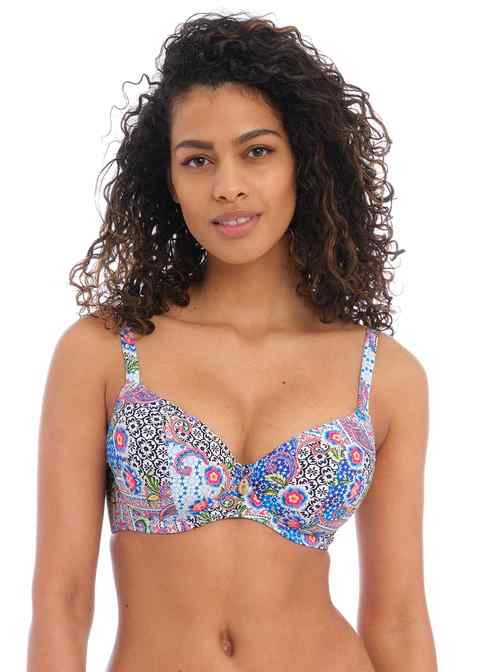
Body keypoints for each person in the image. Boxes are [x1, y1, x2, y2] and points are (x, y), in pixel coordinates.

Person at [27, 10, 438, 671]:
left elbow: (398, 620)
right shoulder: (103, 352)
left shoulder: (386, 376)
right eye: (198, 160)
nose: (228, 187)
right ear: (168, 179)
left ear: (304, 162)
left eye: (257, 151)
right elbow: (62, 601)